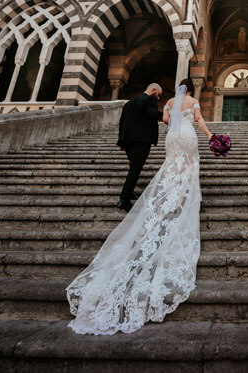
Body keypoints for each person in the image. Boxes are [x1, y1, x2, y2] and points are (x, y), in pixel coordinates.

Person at [67, 78, 213, 335]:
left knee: (172, 166)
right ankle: (180, 197)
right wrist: (211, 136)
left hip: (172, 138)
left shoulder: (168, 102)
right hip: (188, 136)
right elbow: (198, 120)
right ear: (191, 90)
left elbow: (167, 121)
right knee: (187, 166)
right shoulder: (193, 102)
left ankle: (169, 195)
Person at [115, 83, 162, 212]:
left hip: (128, 141)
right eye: (158, 94)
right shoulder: (150, 99)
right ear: (153, 90)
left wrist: (121, 141)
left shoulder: (129, 103)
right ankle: (124, 199)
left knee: (134, 167)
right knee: (135, 169)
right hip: (141, 141)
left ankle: (128, 194)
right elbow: (153, 114)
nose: (158, 98)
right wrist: (167, 114)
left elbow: (122, 122)